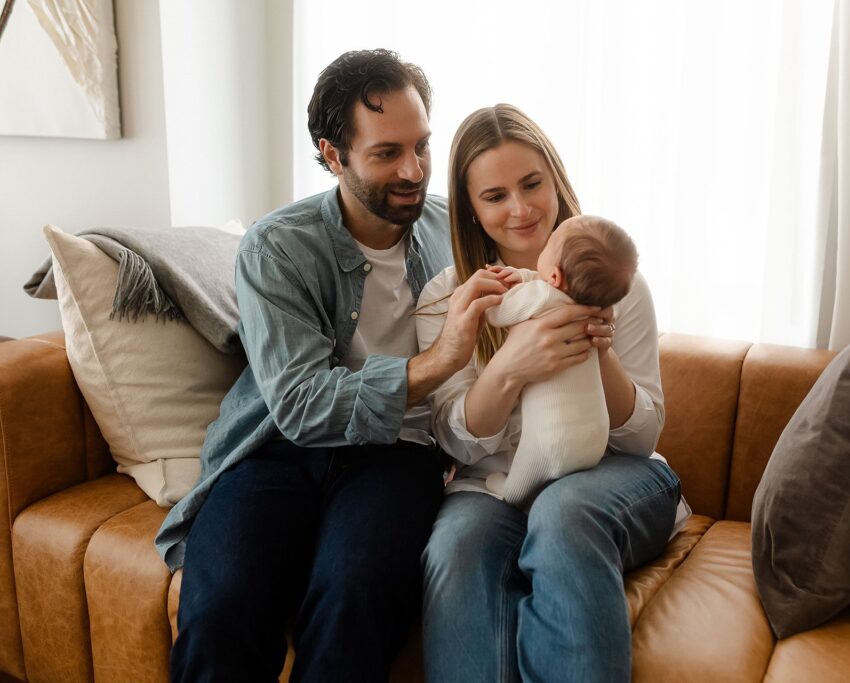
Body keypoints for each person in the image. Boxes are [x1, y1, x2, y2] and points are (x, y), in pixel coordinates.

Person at [154, 49, 511, 682]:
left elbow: (542, 241)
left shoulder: (452, 229)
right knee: (221, 608)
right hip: (276, 451)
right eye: (386, 153)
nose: (415, 170)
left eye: (422, 146)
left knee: (354, 599)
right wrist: (435, 363)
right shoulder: (279, 246)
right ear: (332, 153)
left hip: (397, 453)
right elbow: (298, 404)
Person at [415, 104, 689, 683]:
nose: (521, 208)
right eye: (494, 195)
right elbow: (456, 444)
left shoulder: (620, 281)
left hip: (613, 478)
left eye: (532, 183)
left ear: (555, 177)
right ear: (470, 208)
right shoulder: (448, 299)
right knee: (456, 551)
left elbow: (642, 438)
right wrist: (507, 368)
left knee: (563, 513)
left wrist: (598, 347)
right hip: (492, 487)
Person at [478, 215, 641, 507]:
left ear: (554, 276)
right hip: (595, 438)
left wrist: (503, 292)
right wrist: (523, 278)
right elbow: (546, 288)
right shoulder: (594, 311)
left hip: (551, 438)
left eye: (552, 242)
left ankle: (510, 491)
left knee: (520, 485)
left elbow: (496, 314)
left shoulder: (540, 297)